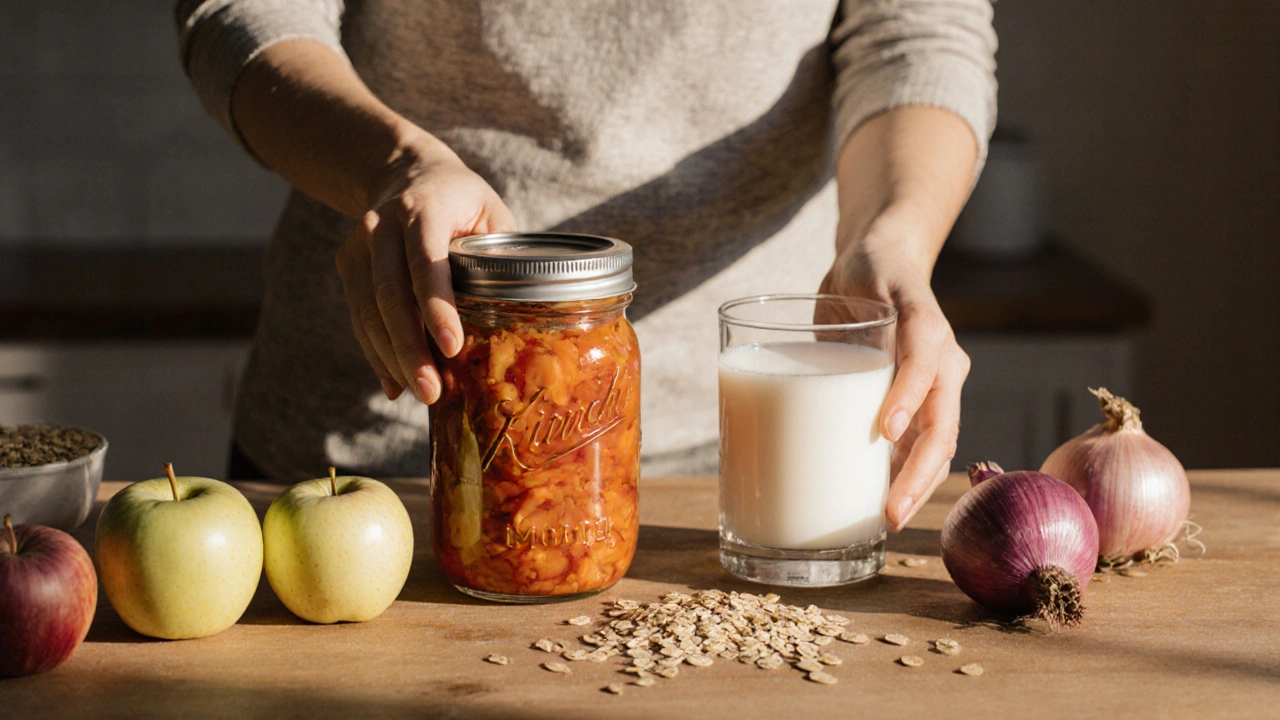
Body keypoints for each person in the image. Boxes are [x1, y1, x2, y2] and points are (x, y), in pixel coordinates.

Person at [176, 0, 996, 532]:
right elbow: (237, 11)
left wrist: (891, 238)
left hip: (752, 464)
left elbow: (918, 31)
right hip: (379, 431)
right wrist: (391, 164)